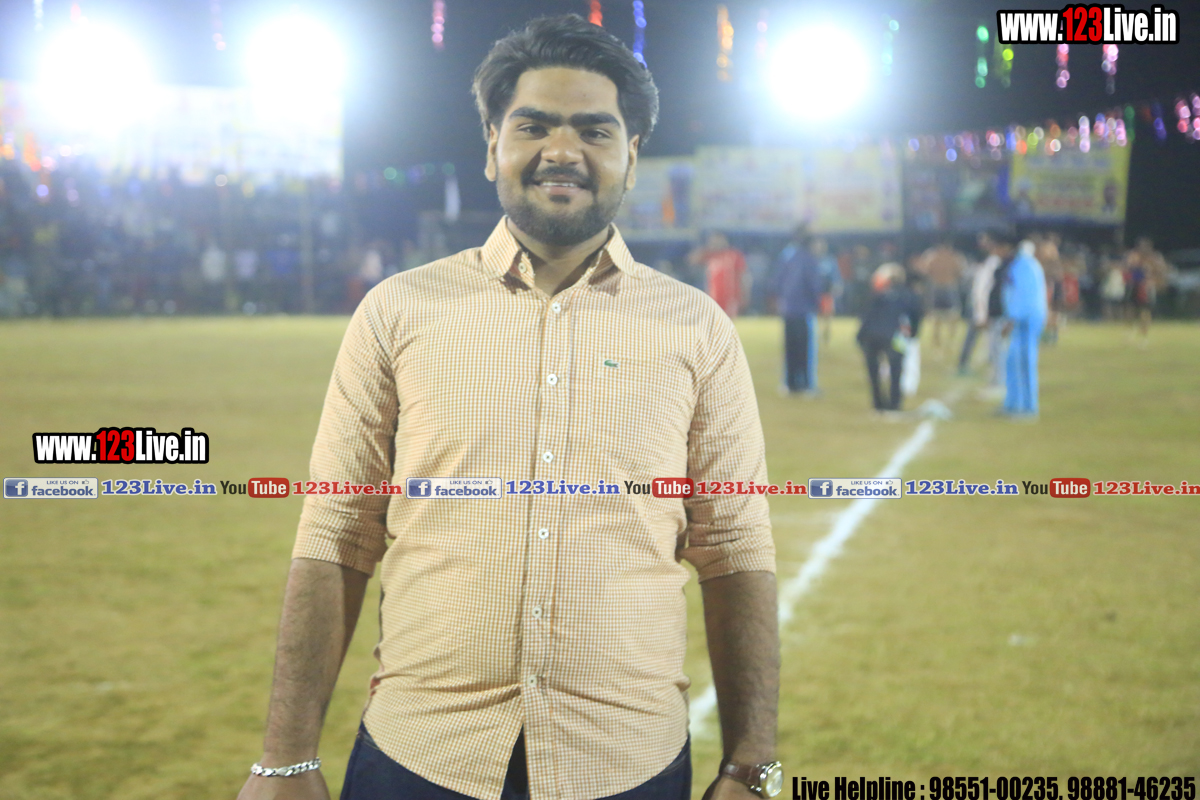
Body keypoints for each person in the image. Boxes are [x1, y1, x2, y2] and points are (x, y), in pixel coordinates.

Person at [237, 15, 781, 800]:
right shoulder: (398, 312)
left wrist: (752, 766)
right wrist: (284, 758)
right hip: (421, 756)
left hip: (626, 762)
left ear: (632, 155)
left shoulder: (698, 330)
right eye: (534, 125)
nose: (561, 150)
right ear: (493, 142)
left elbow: (735, 548)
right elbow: (336, 532)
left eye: (594, 130)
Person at [856, 263, 921, 415]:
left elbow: (866, 316)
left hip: (871, 336)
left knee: (873, 372)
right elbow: (916, 316)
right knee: (896, 371)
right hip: (895, 336)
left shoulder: (876, 294)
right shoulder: (908, 295)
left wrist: (860, 337)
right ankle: (894, 404)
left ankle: (878, 404)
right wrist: (912, 335)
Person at [772, 225, 824, 395]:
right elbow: (813, 284)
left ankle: (790, 384)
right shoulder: (809, 258)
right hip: (804, 309)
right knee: (805, 350)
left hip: (788, 308)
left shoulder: (787, 255)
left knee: (790, 347)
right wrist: (817, 303)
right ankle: (807, 385)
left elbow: (777, 280)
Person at [1001, 238, 1048, 418]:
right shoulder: (1031, 265)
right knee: (1015, 362)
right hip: (1027, 318)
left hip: (1024, 320)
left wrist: (1012, 318)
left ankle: (1026, 407)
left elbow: (1023, 295)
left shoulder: (1023, 266)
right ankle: (1013, 403)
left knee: (1023, 363)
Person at [912, 239, 966, 359]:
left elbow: (925, 271)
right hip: (944, 286)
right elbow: (961, 271)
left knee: (946, 317)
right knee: (941, 317)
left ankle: (944, 344)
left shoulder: (934, 256)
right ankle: (942, 343)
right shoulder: (949, 256)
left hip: (943, 286)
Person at [690, 231, 747, 317]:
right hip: (714, 297)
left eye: (718, 240)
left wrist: (744, 294)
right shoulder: (710, 255)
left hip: (730, 298)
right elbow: (692, 260)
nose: (716, 243)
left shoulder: (733, 255)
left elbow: (743, 276)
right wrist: (706, 249)